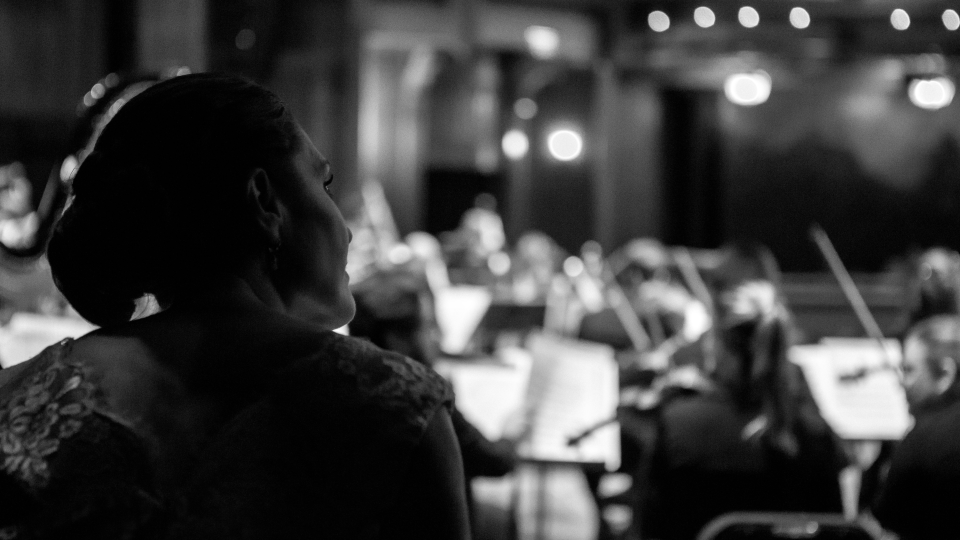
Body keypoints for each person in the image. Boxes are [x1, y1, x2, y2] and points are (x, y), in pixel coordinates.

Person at [0, 73, 469, 539]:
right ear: (264, 199)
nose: (346, 232)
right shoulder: (394, 407)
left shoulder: (18, 396)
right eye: (323, 183)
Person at [641, 280, 846, 540]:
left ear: (716, 345)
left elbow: (650, 528)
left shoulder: (679, 425)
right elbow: (836, 530)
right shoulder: (814, 435)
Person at [873, 315, 960, 539]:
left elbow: (885, 522)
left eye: (909, 370)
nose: (901, 382)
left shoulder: (922, 441)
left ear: (945, 375)